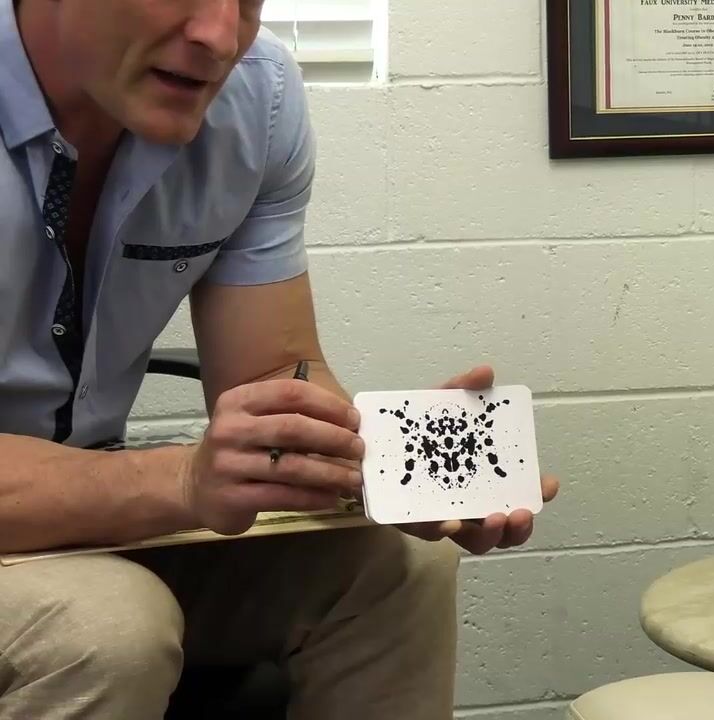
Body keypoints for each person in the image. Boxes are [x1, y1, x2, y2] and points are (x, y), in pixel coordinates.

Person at [0, 1, 558, 718]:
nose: (219, 36)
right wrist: (181, 479)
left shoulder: (253, 99)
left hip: (84, 513)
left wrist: (387, 469)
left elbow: (275, 373)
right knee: (108, 630)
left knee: (404, 565)